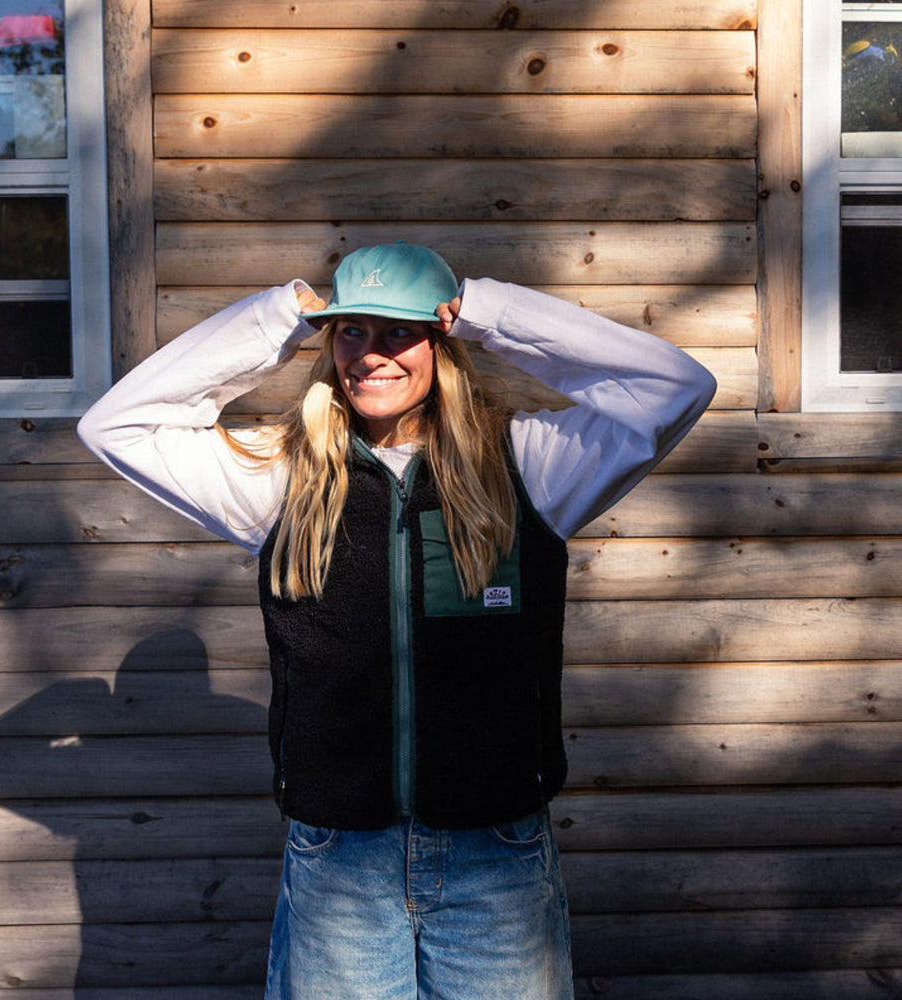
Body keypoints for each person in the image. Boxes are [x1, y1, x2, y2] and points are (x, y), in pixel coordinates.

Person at [77, 241, 716, 1000]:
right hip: (341, 862)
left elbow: (675, 386)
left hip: (497, 858)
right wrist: (277, 319)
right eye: (353, 331)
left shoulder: (529, 464)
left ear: (442, 343)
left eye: (399, 333)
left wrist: (493, 315)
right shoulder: (284, 478)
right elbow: (118, 425)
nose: (372, 355)